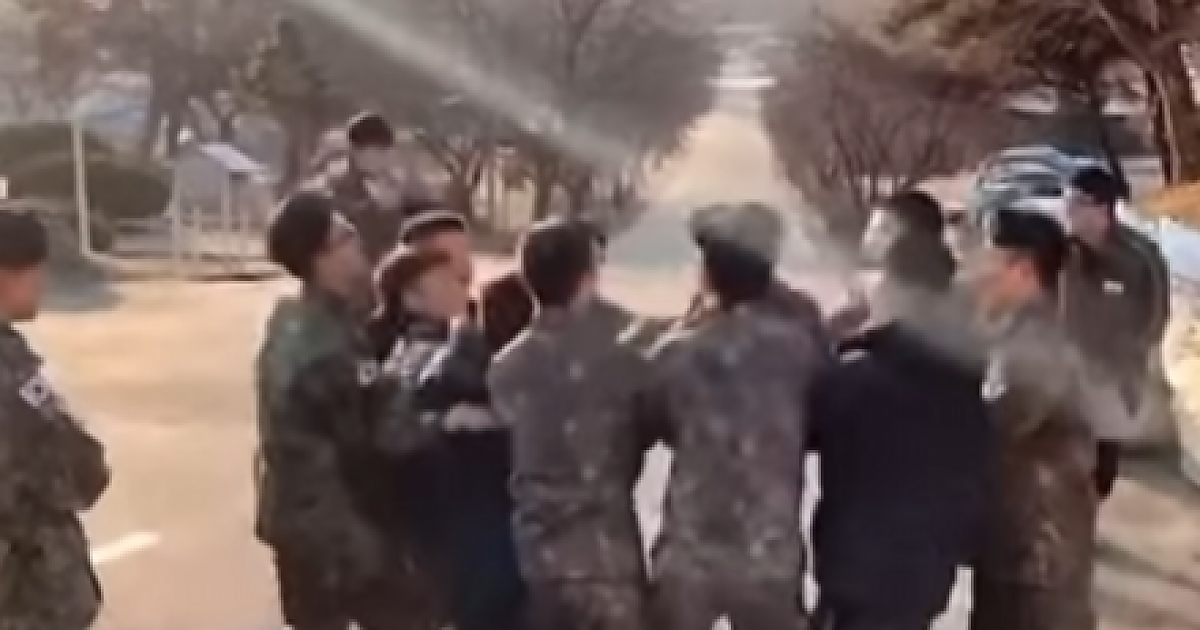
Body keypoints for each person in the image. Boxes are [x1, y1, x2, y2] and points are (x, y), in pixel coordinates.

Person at [254, 191, 435, 630]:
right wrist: (432, 408)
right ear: (320, 259)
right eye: (345, 238)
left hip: (295, 519)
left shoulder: (297, 320)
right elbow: (381, 439)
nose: (358, 246)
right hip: (338, 526)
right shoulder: (326, 348)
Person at [649, 205, 826, 630]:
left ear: (709, 276)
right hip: (769, 550)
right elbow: (818, 423)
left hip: (690, 551)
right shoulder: (802, 349)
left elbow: (656, 421)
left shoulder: (676, 352)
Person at [809, 223, 992, 630]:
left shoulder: (857, 378)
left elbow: (805, 431)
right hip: (924, 578)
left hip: (857, 578)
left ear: (894, 289)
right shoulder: (964, 382)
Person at [489, 219, 659, 630]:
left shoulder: (507, 366)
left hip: (539, 559)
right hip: (607, 557)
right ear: (586, 280)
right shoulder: (624, 357)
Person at [390, 212, 527, 630]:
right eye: (448, 262)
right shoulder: (410, 348)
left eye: (467, 256)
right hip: (451, 538)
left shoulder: (472, 327)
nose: (464, 272)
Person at [966, 210, 1100, 630]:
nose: (975, 272)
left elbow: (990, 427)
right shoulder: (1017, 333)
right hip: (1023, 553)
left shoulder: (1032, 347)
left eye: (986, 260)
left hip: (1035, 566)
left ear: (1022, 271)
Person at [0, 210, 109, 630]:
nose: (43, 283)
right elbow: (75, 465)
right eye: (37, 270)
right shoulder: (9, 370)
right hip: (22, 595)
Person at [1062, 166, 1171, 498]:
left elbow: (1156, 312)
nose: (1068, 210)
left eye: (1077, 202)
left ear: (1103, 208)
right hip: (1064, 369)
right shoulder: (1059, 252)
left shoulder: (1138, 256)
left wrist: (1136, 353)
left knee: (1102, 466)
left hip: (1116, 373)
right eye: (1066, 201)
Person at [318, 112, 416, 263]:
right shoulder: (336, 187)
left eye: (387, 151)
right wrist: (380, 209)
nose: (385, 159)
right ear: (355, 151)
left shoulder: (393, 182)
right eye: (379, 151)